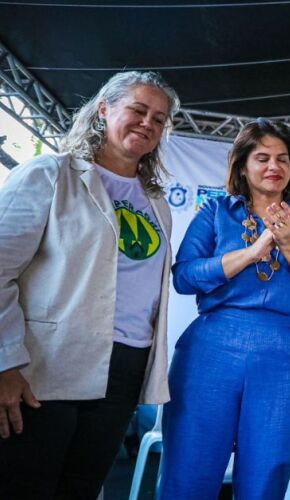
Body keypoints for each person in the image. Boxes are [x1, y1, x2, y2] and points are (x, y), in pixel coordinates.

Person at [0, 71, 179, 498]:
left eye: (158, 119)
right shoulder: (49, 175)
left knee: (82, 488)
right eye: (138, 110)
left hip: (125, 367)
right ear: (103, 109)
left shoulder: (156, 201)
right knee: (26, 486)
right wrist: (5, 363)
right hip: (48, 365)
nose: (147, 124)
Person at [161, 119, 290, 499]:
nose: (274, 166)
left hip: (283, 354)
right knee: (190, 465)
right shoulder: (215, 212)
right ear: (242, 165)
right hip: (211, 347)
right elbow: (184, 276)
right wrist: (252, 253)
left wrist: (289, 243)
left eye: (282, 159)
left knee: (269, 472)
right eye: (262, 158)